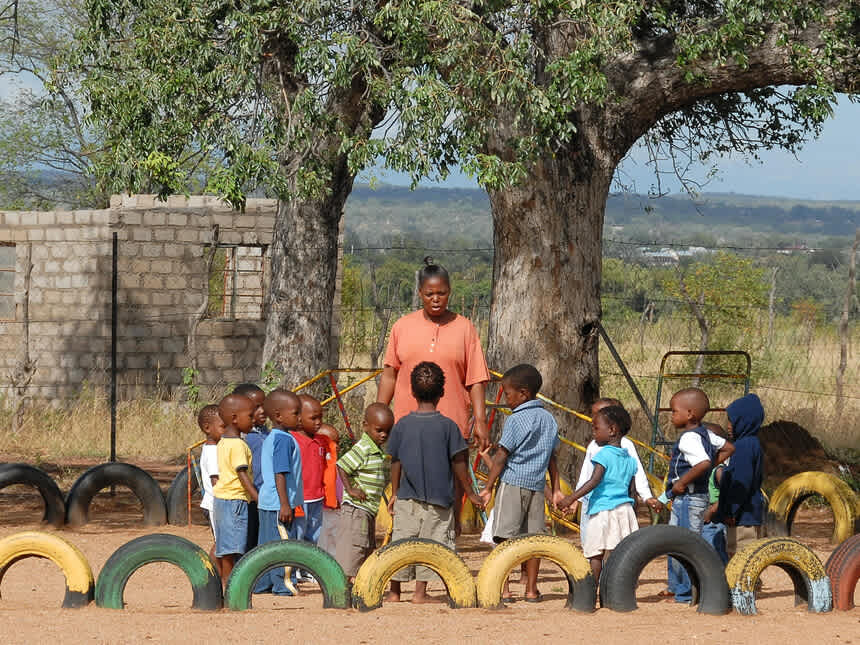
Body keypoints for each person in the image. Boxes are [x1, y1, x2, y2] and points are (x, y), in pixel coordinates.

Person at [386, 362, 484, 603]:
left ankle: (395, 592)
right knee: (432, 544)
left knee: (401, 542)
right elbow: (459, 463)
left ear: (411, 392)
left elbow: (395, 461)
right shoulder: (449, 427)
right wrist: (470, 493)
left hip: (407, 497)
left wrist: (395, 492)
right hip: (440, 500)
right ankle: (420, 593)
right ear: (443, 393)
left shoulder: (401, 425)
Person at [377, 257, 491, 449]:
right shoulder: (401, 327)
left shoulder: (465, 328)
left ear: (450, 292)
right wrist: (379, 414)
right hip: (407, 427)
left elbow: (476, 380)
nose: (436, 299)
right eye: (429, 294)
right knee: (407, 478)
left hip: (452, 429)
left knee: (450, 479)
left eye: (442, 293)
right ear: (420, 293)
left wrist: (480, 421)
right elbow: (390, 377)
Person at [478, 363, 563, 603]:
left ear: (523, 393)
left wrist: (488, 487)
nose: (506, 399)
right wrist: (555, 489)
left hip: (512, 483)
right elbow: (552, 458)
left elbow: (502, 456)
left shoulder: (516, 420)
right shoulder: (549, 420)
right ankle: (531, 590)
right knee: (533, 538)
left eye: (507, 393)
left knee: (504, 536)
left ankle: (503, 589)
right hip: (536, 486)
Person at [662, 388, 734, 603]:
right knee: (675, 540)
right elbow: (729, 447)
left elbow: (702, 463)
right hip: (697, 497)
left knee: (685, 543)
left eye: (674, 411)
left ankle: (687, 593)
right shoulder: (707, 434)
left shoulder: (688, 439)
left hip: (688, 499)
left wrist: (682, 483)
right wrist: (712, 464)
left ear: (690, 413)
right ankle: (679, 587)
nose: (671, 415)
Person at [560, 406, 639, 581]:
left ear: (612, 430)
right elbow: (632, 491)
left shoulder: (603, 454)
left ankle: (592, 590)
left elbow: (594, 480)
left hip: (603, 510)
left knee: (595, 553)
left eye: (596, 428)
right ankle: (616, 590)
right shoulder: (630, 460)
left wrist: (570, 498)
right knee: (618, 554)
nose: (593, 433)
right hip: (624, 510)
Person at [575, 397, 660, 542]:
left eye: (599, 415)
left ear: (613, 427)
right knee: (590, 541)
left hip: (615, 503)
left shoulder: (625, 445)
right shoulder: (594, 445)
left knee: (616, 541)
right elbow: (586, 474)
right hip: (591, 502)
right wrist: (577, 499)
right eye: (593, 415)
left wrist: (646, 496)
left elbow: (636, 472)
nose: (594, 419)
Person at [333, 404, 394, 580]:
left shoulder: (376, 449)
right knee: (352, 548)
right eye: (379, 430)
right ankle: (341, 585)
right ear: (365, 425)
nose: (384, 435)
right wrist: (350, 489)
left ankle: (360, 584)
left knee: (366, 547)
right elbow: (342, 465)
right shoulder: (363, 448)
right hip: (356, 509)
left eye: (388, 431)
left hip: (368, 510)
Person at [254, 389, 303, 595]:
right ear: (278, 415)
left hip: (268, 502)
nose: (299, 417)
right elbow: (280, 472)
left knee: (266, 545)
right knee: (283, 545)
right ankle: (284, 585)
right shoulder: (283, 439)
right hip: (278, 504)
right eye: (295, 413)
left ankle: (261, 583)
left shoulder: (274, 437)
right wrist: (285, 504)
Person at [212, 394, 258, 587]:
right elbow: (241, 473)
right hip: (235, 501)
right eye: (250, 415)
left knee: (224, 546)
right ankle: (230, 585)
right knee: (233, 548)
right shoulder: (238, 444)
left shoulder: (223, 441)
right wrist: (257, 497)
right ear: (234, 418)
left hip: (222, 499)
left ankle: (221, 580)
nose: (254, 419)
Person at [716, 393, 766, 557]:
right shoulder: (751, 443)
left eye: (732, 421)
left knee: (742, 557)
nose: (728, 425)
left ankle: (746, 583)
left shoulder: (743, 447)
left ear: (744, 421)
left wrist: (732, 511)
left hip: (743, 517)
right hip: (747, 514)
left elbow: (741, 482)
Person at [234, 383, 268, 550]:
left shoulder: (266, 432)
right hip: (250, 498)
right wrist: (256, 496)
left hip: (265, 495)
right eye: (256, 407)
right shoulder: (241, 439)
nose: (262, 411)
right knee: (246, 541)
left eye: (264, 405)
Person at [292, 394, 326, 552]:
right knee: (297, 534)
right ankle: (295, 567)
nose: (318, 422)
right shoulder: (292, 440)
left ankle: (308, 567)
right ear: (298, 419)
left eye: (320, 417)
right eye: (313, 418)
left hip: (317, 497)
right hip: (300, 499)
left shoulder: (321, 441)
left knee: (314, 535)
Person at [197, 404, 224, 578]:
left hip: (219, 502)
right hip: (217, 503)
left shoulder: (217, 448)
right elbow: (217, 482)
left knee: (223, 542)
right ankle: (213, 577)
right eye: (223, 426)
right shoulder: (213, 451)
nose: (227, 430)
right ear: (207, 428)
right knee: (221, 544)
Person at [701, 422, 729, 566]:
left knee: (715, 555)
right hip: (703, 521)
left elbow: (728, 494)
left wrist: (711, 510)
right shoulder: (703, 468)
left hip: (713, 522)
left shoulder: (719, 471)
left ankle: (727, 583)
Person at [317, 423, 342, 556]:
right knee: (322, 544)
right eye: (332, 442)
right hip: (322, 511)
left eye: (337, 442)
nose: (336, 446)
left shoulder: (337, 466)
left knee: (333, 546)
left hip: (336, 512)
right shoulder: (319, 464)